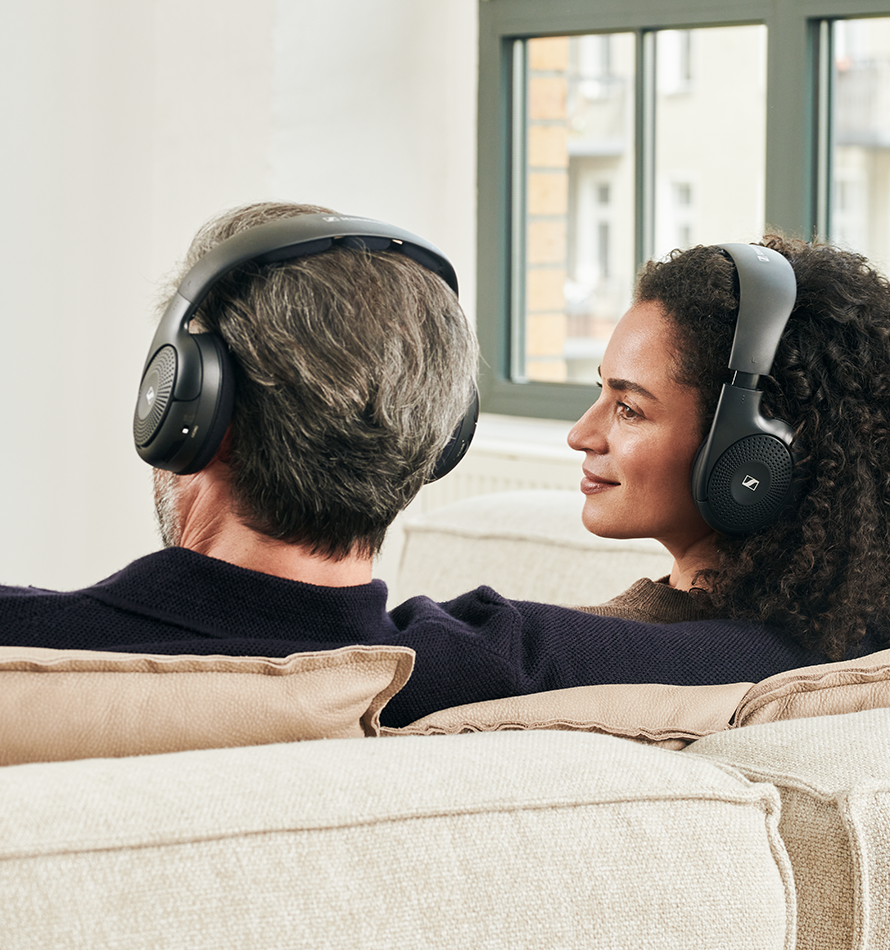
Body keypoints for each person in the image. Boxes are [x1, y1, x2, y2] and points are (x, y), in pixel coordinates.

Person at [0, 205, 866, 729]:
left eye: (628, 405)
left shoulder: (46, 659)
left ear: (189, 413)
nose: (580, 433)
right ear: (432, 438)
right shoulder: (807, 667)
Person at [568, 235, 890, 664]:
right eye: (601, 390)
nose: (579, 435)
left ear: (750, 454)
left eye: (629, 409)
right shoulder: (853, 635)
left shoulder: (559, 654)